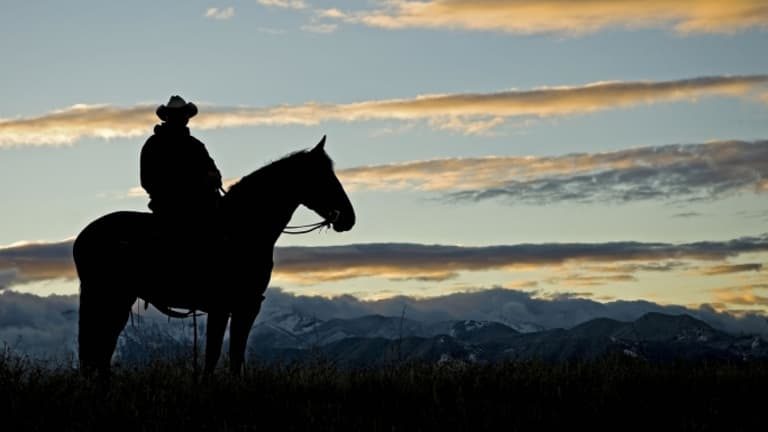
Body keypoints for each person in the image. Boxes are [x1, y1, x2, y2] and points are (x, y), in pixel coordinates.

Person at [140, 96, 222, 241]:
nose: (181, 118)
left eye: (183, 114)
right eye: (176, 115)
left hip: (203, 205)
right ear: (167, 117)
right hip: (169, 207)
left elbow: (214, 172)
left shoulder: (197, 146)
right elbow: (149, 180)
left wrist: (214, 178)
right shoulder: (155, 144)